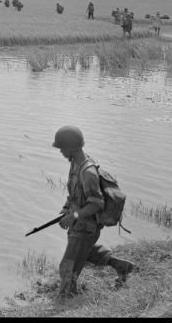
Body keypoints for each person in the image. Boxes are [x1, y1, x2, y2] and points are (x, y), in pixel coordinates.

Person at [52, 125, 135, 297]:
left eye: (62, 148)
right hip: (78, 224)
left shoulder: (87, 172)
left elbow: (97, 204)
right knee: (86, 251)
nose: (60, 151)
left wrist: (74, 215)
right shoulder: (75, 164)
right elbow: (74, 195)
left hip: (86, 226)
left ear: (72, 148)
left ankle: (66, 298)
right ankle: (123, 267)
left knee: (67, 266)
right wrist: (66, 210)